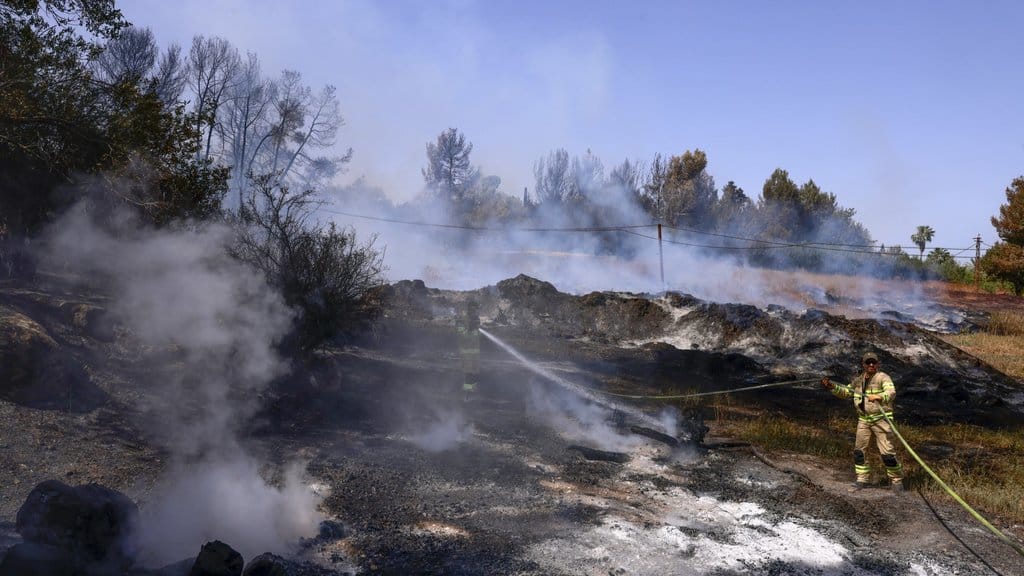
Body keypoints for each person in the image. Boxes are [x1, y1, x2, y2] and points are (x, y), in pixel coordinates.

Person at [821, 351, 905, 493]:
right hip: (864, 420)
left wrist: (879, 396)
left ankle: (897, 481)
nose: (871, 364)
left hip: (881, 420)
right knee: (860, 451)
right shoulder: (858, 380)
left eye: (873, 362)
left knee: (887, 453)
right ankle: (862, 479)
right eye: (868, 362)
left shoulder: (883, 377)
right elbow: (846, 392)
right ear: (863, 364)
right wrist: (831, 387)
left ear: (878, 364)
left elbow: (891, 392)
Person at [458, 299, 480, 401]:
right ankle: (466, 395)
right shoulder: (463, 319)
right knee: (468, 374)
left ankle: (472, 392)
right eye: (473, 309)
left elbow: (477, 334)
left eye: (476, 310)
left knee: (474, 373)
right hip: (466, 352)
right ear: (469, 309)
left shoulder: (476, 319)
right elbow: (461, 334)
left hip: (475, 352)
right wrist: (469, 329)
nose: (475, 311)